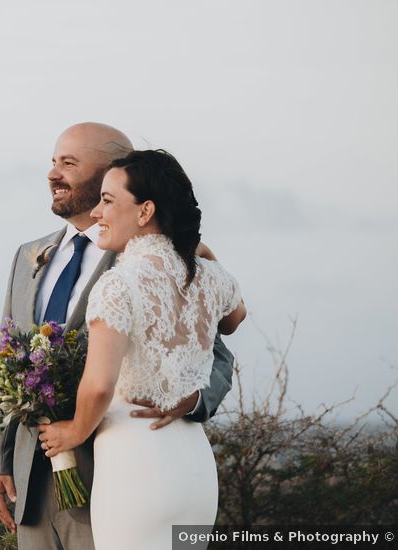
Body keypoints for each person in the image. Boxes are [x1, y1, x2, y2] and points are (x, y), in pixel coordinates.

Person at [0, 123, 236, 550]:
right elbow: (6, 361)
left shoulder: (159, 255)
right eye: (53, 161)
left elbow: (215, 353)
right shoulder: (27, 256)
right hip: (31, 484)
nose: (52, 173)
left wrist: (191, 400)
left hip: (118, 478)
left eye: (69, 163)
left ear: (110, 173)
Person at [37, 149, 246, 549]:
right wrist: (203, 255)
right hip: (196, 471)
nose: (97, 213)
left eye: (108, 201)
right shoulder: (211, 277)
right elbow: (236, 319)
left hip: (136, 467)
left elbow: (99, 385)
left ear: (145, 211)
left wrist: (73, 432)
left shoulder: (118, 284)